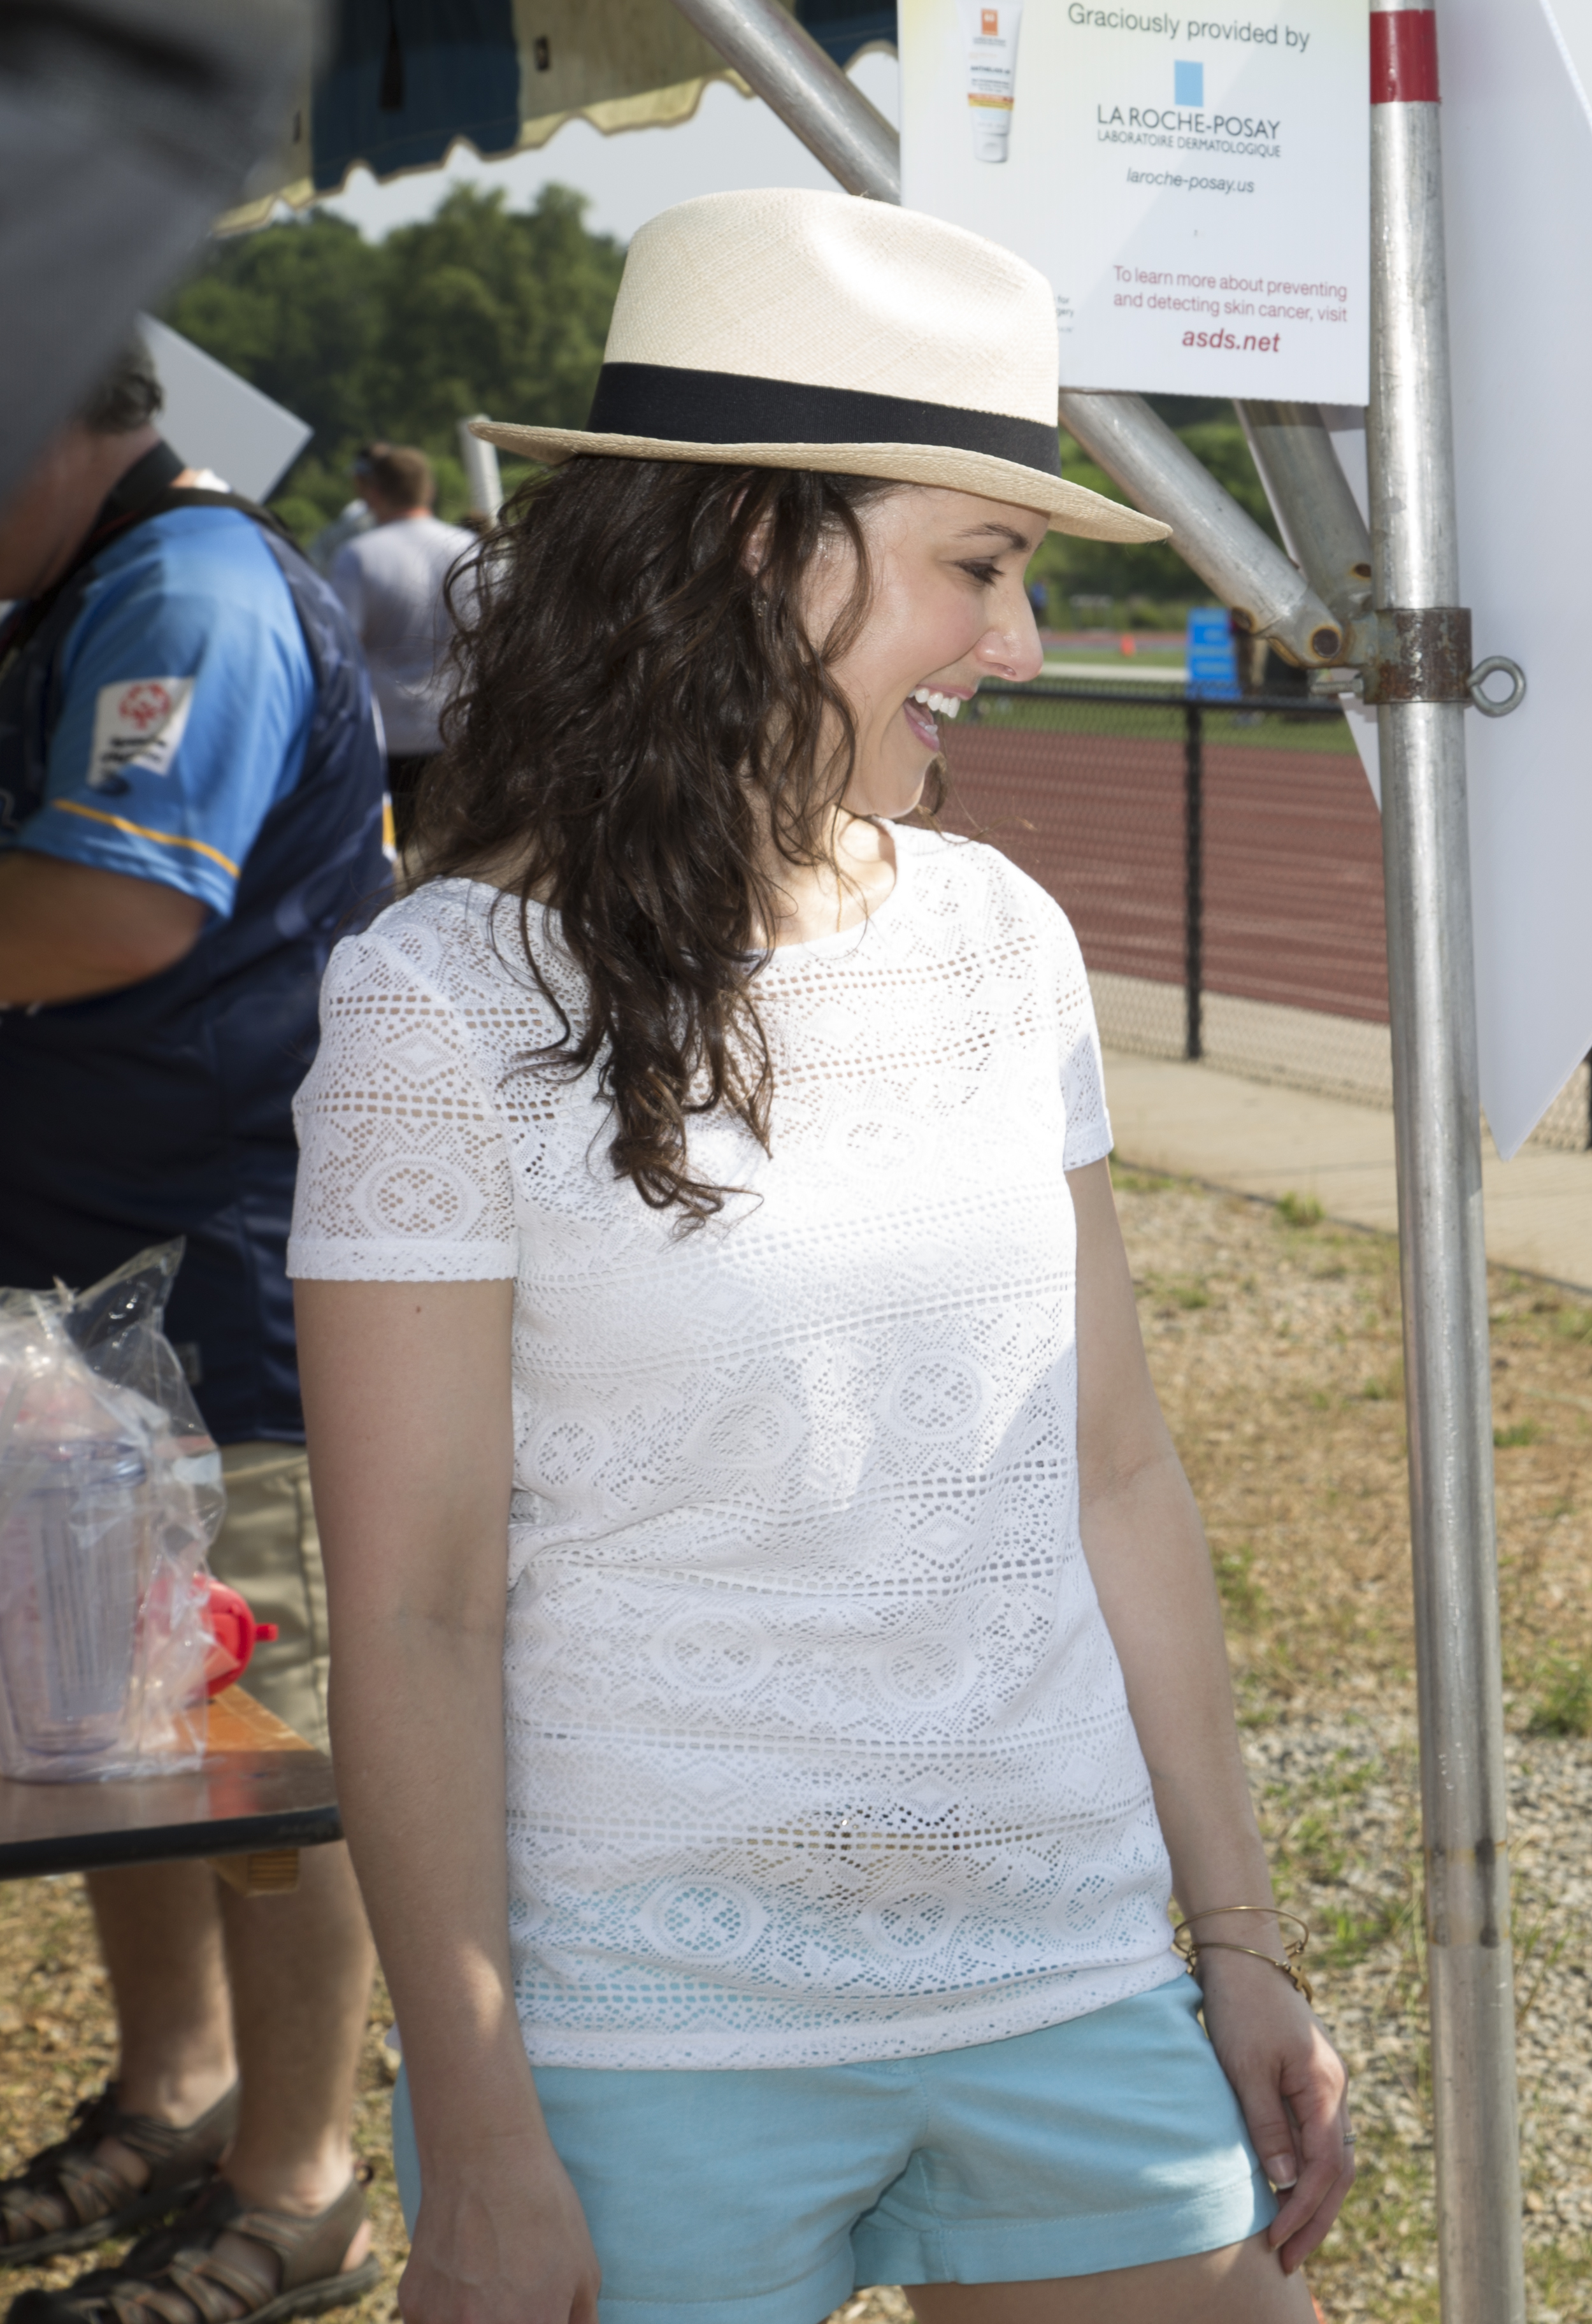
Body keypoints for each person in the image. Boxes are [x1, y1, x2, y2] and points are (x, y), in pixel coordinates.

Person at [289, 187, 1349, 2324]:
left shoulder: (1002, 938)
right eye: (982, 565)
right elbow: (410, 1610)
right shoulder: (441, 1005)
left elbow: (1116, 1468)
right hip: (634, 2027)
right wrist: (482, 2136)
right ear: (763, 551)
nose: (1022, 645)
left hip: (1057, 1966)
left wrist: (1232, 1934)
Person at [0, 336, 392, 2319]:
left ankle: (302, 2181)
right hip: (87, 1278)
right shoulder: (81, 586)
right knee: (98, 1728)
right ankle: (179, 2096)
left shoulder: (192, 591)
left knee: (251, 1747)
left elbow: (113, 914)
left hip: (222, 1278)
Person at [320, 443, 473, 832]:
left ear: (373, 492)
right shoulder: (472, 550)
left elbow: (340, 650)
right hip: (458, 732)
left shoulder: (359, 555)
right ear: (429, 491)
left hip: (387, 737)